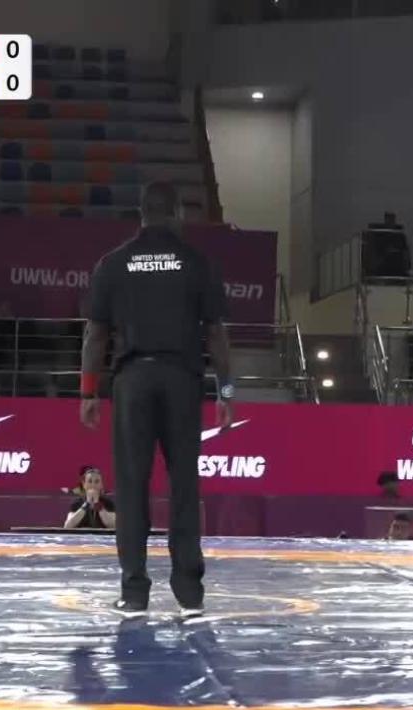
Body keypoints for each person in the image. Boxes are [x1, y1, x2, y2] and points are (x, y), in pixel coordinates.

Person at [80, 180, 234, 619]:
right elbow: (216, 334)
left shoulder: (113, 263)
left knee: (131, 486)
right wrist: (226, 391)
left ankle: (134, 594)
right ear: (178, 213)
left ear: (141, 213)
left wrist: (88, 391)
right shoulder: (196, 262)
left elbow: (95, 334)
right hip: (182, 380)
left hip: (133, 381)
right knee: (184, 484)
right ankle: (189, 594)